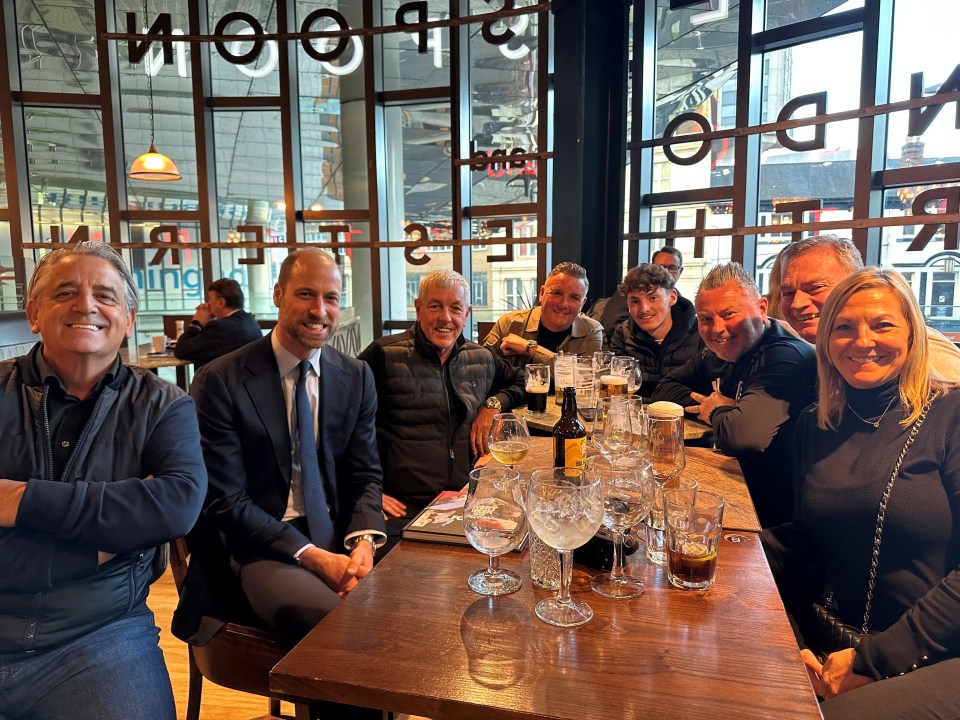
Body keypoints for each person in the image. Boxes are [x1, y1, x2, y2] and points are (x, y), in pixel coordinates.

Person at [0, 242, 206, 720]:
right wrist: (99, 546)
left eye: (106, 296)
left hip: (101, 632)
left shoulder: (163, 405)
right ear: (34, 313)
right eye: (65, 293)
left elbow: (175, 506)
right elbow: (149, 512)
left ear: (128, 320)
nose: (86, 305)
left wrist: (18, 500)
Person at [763, 269, 960, 719]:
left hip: (940, 648)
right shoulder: (816, 423)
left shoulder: (951, 414)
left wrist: (873, 662)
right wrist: (727, 547)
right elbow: (806, 543)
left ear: (913, 333)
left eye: (883, 325)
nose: (862, 341)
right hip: (838, 636)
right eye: (844, 327)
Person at [176, 249, 385, 651]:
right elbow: (224, 502)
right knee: (341, 630)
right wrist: (313, 556)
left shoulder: (355, 376)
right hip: (257, 545)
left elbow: (365, 474)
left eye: (331, 298)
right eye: (305, 294)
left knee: (420, 603)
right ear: (277, 294)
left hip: (337, 532)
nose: (319, 310)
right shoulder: (220, 381)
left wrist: (362, 542)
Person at [359, 269, 525, 550]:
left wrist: (492, 405)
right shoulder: (384, 354)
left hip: (465, 501)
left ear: (467, 312)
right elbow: (343, 426)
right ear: (418, 308)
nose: (445, 318)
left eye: (455, 308)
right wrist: (368, 492)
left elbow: (524, 382)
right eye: (435, 306)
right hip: (400, 506)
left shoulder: (482, 357)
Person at [652, 262, 816, 527]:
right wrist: (711, 406)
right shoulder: (717, 352)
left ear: (762, 309)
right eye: (706, 319)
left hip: (776, 517)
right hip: (733, 486)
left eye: (729, 314)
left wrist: (718, 412)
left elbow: (743, 435)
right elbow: (665, 388)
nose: (717, 329)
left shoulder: (785, 355)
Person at [778, 234, 960, 378]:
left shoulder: (926, 352)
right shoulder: (824, 345)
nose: (797, 303)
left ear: (857, 281)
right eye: (788, 293)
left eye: (816, 288)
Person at [482, 261, 602, 368]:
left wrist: (530, 349)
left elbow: (585, 378)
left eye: (574, 297)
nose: (563, 304)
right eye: (557, 293)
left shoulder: (591, 330)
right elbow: (482, 367)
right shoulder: (509, 324)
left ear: (582, 303)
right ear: (542, 293)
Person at [606, 263, 701, 398]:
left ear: (672, 297)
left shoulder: (700, 333)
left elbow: (700, 388)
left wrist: (641, 380)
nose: (644, 309)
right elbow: (617, 384)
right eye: (635, 301)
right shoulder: (623, 334)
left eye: (652, 298)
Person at [592, 246, 685, 337]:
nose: (665, 271)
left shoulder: (684, 311)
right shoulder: (631, 289)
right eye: (660, 267)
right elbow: (612, 324)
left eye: (672, 267)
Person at [173, 277, 263, 368]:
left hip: (219, 381)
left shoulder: (219, 327)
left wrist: (196, 323)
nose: (208, 304)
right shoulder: (251, 322)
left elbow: (181, 351)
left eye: (210, 299)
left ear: (221, 302)